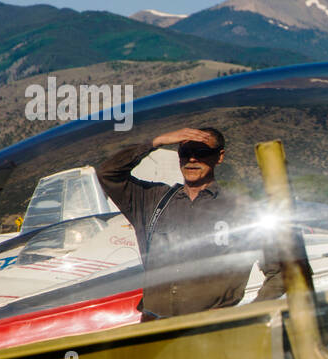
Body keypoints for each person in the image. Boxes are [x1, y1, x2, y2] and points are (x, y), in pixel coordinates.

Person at [98, 127, 281, 320]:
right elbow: (108, 174)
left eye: (201, 153)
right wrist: (155, 141)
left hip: (211, 331)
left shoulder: (241, 209)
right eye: (185, 153)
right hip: (154, 327)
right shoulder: (152, 200)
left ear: (219, 157)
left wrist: (249, 315)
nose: (192, 160)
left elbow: (280, 272)